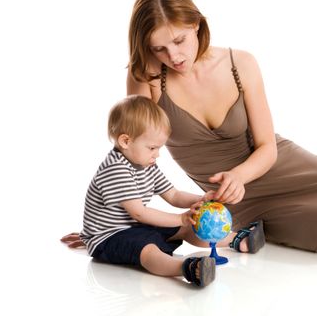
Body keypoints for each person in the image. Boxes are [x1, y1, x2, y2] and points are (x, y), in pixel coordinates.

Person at [64, 0, 317, 256]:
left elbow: (267, 146)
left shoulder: (240, 64)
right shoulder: (146, 79)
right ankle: (246, 231)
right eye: (159, 48)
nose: (173, 56)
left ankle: (259, 226)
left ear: (196, 25)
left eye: (179, 41)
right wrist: (107, 229)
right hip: (225, 197)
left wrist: (239, 175)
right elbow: (133, 155)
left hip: (272, 166)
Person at [61, 95, 265, 288]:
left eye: (160, 148)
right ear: (125, 141)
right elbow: (139, 213)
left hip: (134, 228)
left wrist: (203, 199)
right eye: (152, 148)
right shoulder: (116, 169)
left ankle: (238, 239)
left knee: (188, 228)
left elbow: (174, 195)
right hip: (108, 237)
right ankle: (188, 268)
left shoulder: (146, 165)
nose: (157, 154)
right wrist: (181, 218)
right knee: (147, 250)